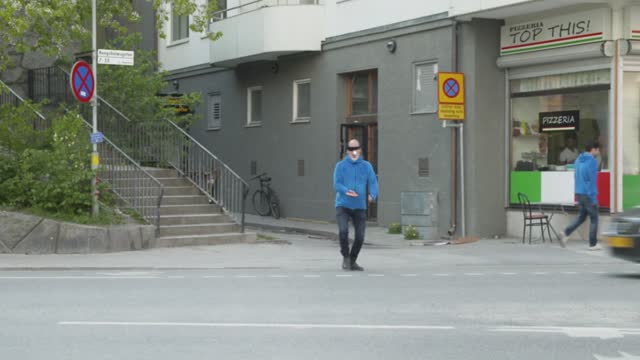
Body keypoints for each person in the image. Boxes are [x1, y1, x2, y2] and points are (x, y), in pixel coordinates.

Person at [333, 139, 378, 271]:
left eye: (356, 149)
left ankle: (352, 260)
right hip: (343, 204)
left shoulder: (366, 166)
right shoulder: (340, 166)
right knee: (343, 231)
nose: (354, 152)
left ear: (360, 150)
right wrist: (346, 191)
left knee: (360, 236)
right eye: (351, 149)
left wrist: (372, 194)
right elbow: (337, 184)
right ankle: (346, 257)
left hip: (359, 206)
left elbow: (373, 182)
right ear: (347, 151)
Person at [560, 141, 601, 250]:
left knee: (582, 217)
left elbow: (576, 176)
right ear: (593, 149)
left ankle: (566, 232)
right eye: (598, 149)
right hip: (588, 194)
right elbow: (591, 180)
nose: (598, 152)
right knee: (594, 218)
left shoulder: (578, 160)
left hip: (579, 193)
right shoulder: (593, 161)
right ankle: (593, 244)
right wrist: (593, 197)